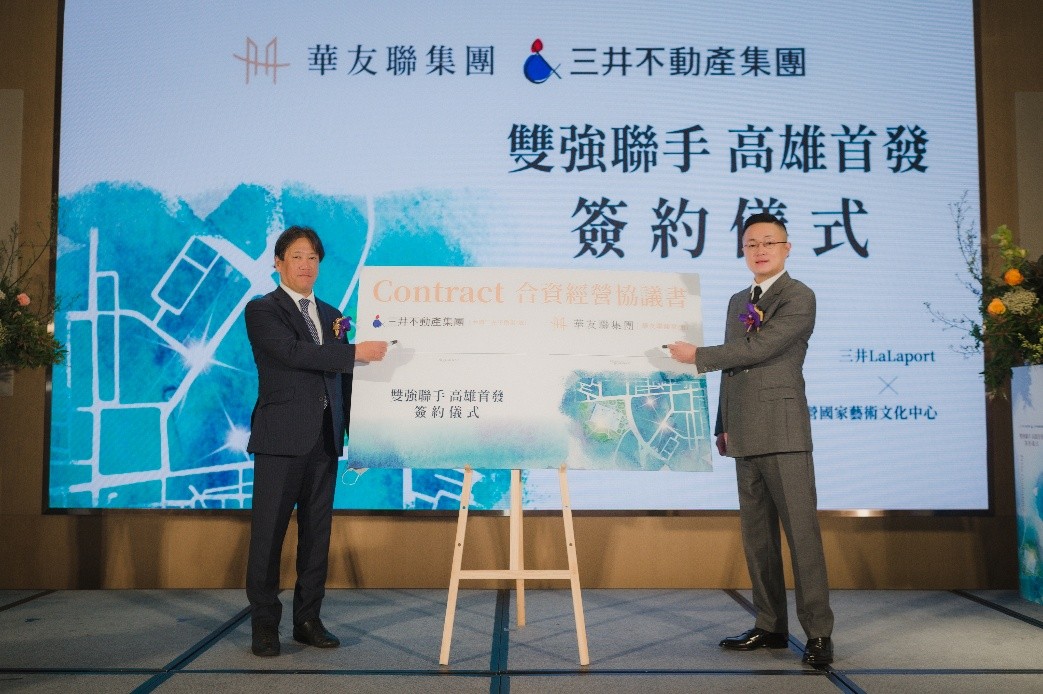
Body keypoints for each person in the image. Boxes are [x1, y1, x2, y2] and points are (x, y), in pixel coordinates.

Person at [667, 212, 834, 667]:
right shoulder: (739, 300)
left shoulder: (799, 296)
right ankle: (770, 625)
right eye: (751, 244)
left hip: (782, 430)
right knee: (757, 537)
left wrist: (697, 355)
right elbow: (734, 371)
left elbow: (760, 348)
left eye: (768, 242)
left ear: (786, 248)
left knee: (801, 535)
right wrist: (723, 424)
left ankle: (819, 634)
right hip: (744, 430)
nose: (760, 251)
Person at [245, 225, 388, 657]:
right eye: (297, 256)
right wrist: (355, 352)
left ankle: (308, 620)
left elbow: (343, 380)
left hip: (325, 441)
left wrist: (360, 436)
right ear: (278, 263)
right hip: (280, 441)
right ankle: (264, 626)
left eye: (312, 258)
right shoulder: (263, 310)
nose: (306, 265)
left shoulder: (332, 314)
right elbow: (293, 353)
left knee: (317, 536)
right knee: (268, 536)